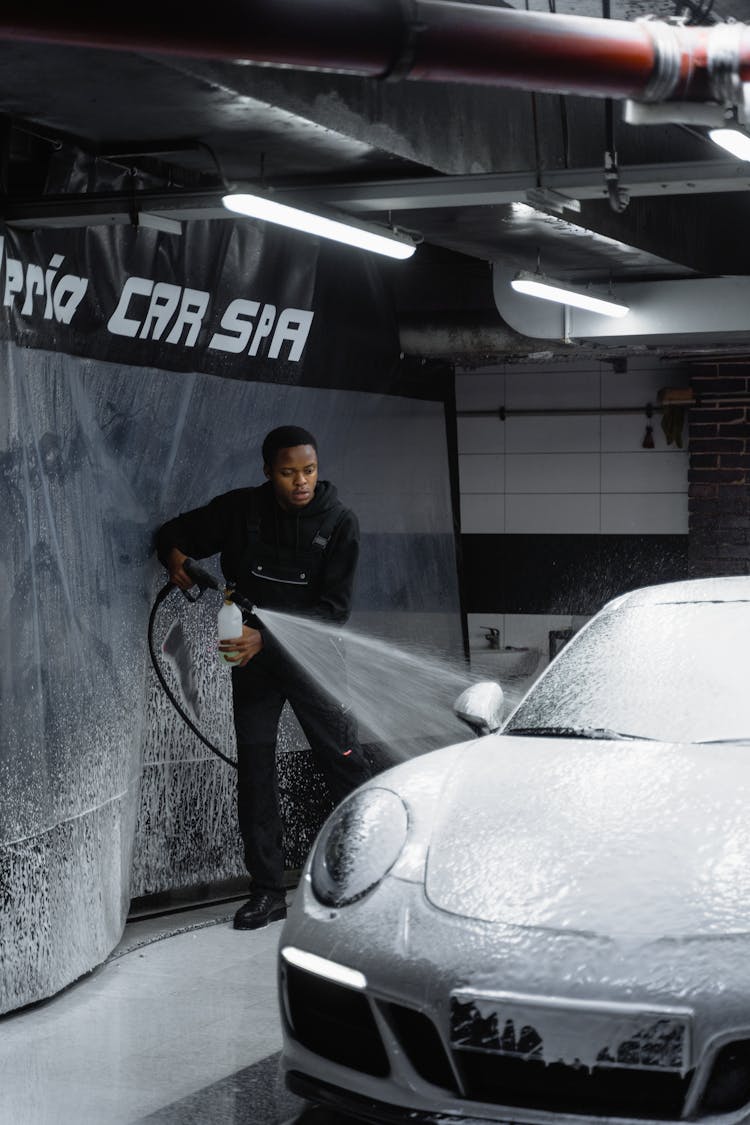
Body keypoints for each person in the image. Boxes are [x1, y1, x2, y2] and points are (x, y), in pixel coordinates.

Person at [154, 425, 372, 930]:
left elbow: (334, 612)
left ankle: (371, 878)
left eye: (310, 470)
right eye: (289, 472)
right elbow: (171, 534)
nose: (301, 482)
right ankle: (268, 891)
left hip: (314, 663)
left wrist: (263, 639)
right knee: (255, 773)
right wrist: (175, 558)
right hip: (252, 668)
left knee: (345, 766)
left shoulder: (339, 522)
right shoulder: (239, 511)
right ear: (267, 472)